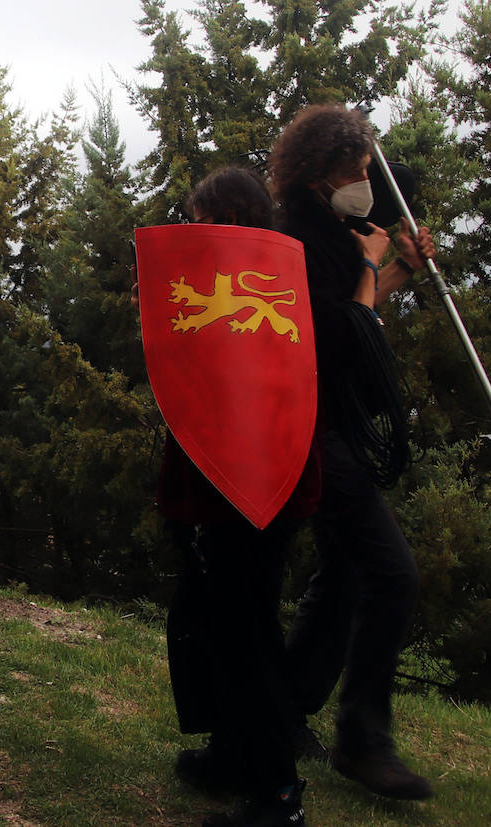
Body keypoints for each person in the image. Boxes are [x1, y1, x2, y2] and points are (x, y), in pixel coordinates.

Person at [267, 105, 437, 800]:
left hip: (331, 423)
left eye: (369, 171)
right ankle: (363, 740)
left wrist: (398, 268)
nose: (366, 185)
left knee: (341, 574)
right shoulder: (298, 240)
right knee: (391, 575)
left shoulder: (332, 231)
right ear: (317, 176)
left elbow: (354, 311)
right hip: (314, 430)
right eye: (355, 173)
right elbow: (337, 337)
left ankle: (282, 712)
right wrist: (374, 265)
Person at [160, 166, 321, 826]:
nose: (193, 227)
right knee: (223, 624)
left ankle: (278, 795)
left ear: (224, 218)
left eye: (201, 216)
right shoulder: (251, 287)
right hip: (237, 488)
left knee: (248, 633)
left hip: (254, 488)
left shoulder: (277, 287)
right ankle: (231, 752)